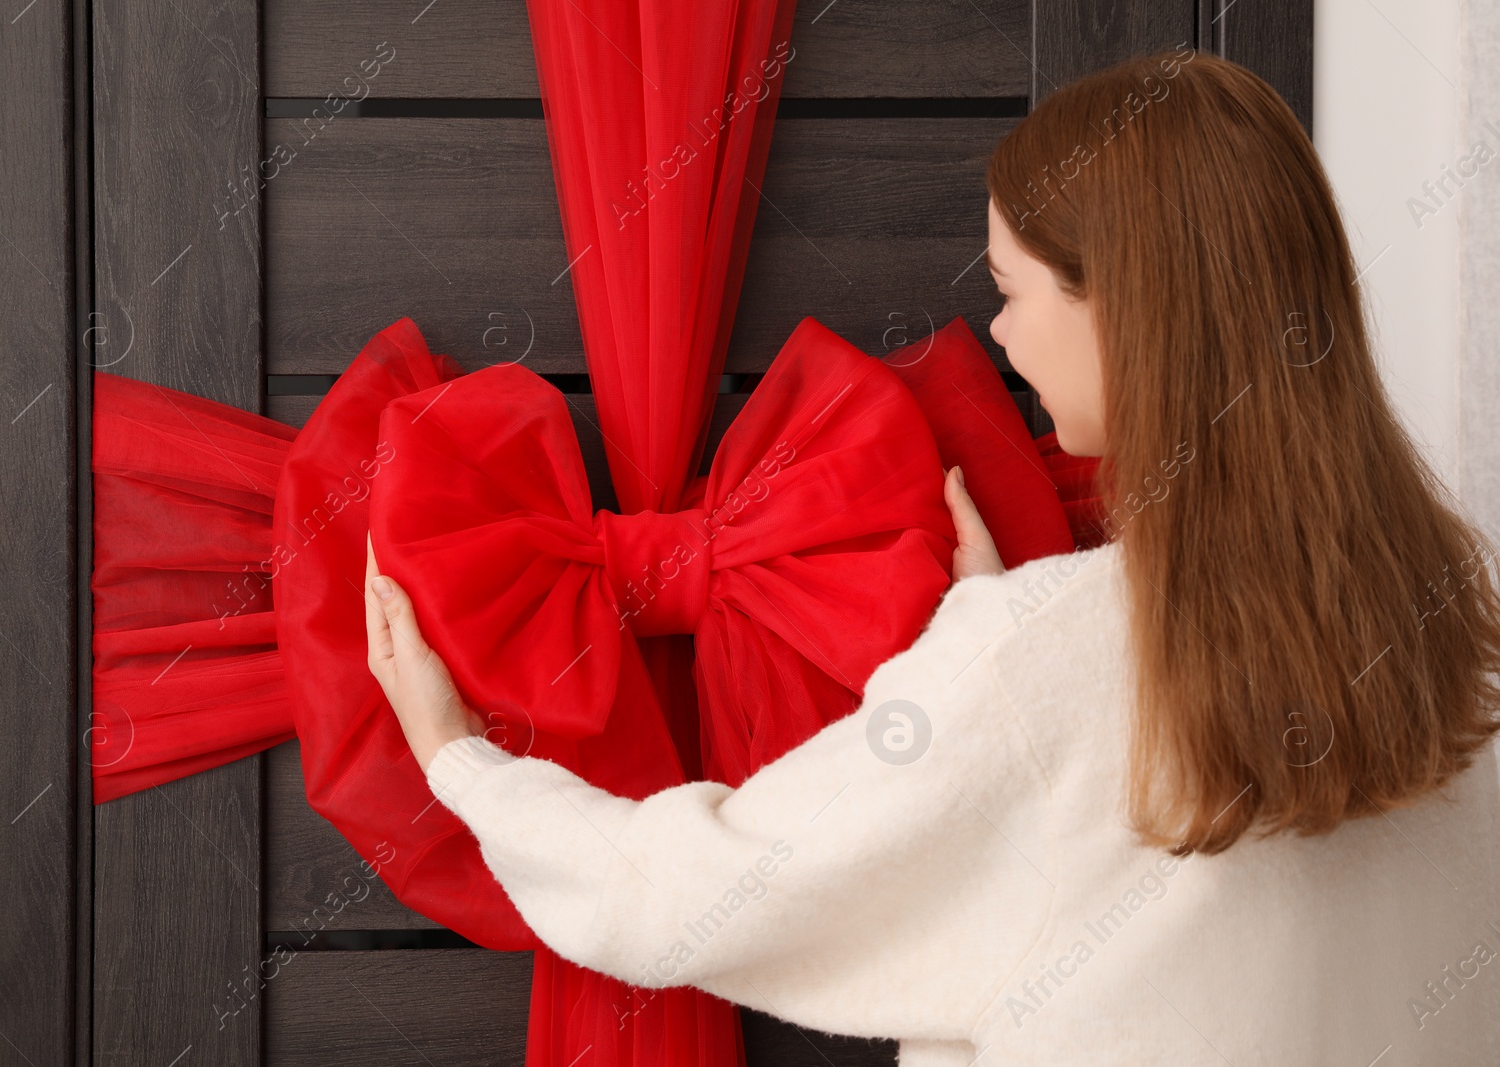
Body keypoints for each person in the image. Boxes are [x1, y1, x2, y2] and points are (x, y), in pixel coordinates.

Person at [362, 50, 1500, 1066]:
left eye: (1009, 291)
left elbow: (701, 895)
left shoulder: (1044, 659)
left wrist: (463, 760)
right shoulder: (1460, 641)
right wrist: (1000, 639)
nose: (997, 338)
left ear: (1129, 312)